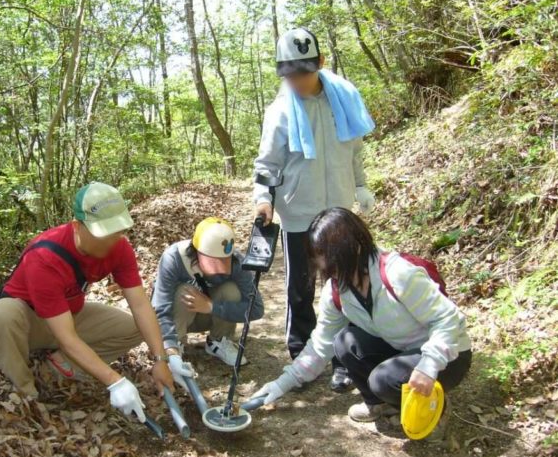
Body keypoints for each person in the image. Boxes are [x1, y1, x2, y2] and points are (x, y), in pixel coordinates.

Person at [251, 208, 472, 427]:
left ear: (354, 247)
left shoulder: (397, 274)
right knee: (345, 341)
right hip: (401, 348)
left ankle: (436, 408)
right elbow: (320, 346)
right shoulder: (336, 290)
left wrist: (428, 365)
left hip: (449, 356)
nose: (323, 265)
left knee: (383, 380)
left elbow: (449, 320)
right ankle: (381, 403)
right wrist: (280, 385)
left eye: (328, 256)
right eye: (319, 257)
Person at [0, 182, 174, 423]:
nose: (110, 240)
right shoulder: (44, 256)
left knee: (134, 328)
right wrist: (115, 382)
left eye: (117, 230)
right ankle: (26, 393)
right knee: (2, 316)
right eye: (102, 232)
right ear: (77, 226)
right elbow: (67, 337)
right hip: (29, 322)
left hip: (69, 314)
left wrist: (160, 359)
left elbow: (140, 305)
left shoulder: (119, 247)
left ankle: (56, 369)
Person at [252, 27, 377, 392]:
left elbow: (353, 150)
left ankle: (344, 357)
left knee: (346, 284)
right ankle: (300, 350)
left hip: (338, 212)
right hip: (298, 212)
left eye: (304, 72)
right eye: (289, 74)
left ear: (320, 64)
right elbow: (267, 164)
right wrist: (263, 198)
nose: (298, 81)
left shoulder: (344, 100)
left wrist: (360, 184)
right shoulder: (279, 112)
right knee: (301, 287)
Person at [151, 217, 264, 388]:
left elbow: (256, 308)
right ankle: (177, 346)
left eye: (224, 261)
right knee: (185, 291)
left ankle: (218, 341)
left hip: (209, 314)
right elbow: (160, 307)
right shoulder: (174, 258)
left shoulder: (237, 262)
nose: (220, 268)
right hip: (180, 318)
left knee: (231, 290)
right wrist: (169, 348)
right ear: (196, 252)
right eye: (213, 261)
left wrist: (211, 306)